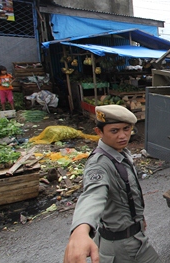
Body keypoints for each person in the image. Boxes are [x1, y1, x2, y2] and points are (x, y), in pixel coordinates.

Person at [63, 105, 161, 263]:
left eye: (126, 129)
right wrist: (80, 230)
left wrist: (137, 218)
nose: (123, 136)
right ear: (99, 132)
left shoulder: (121, 152)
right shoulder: (99, 164)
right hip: (119, 247)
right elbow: (93, 195)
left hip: (136, 237)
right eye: (114, 131)